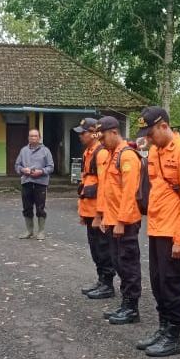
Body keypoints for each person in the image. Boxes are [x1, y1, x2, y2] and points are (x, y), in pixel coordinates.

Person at [134, 107, 180, 357]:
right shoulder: (154, 151)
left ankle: (173, 335)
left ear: (164, 126)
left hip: (175, 231)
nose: (148, 139)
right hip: (157, 227)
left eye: (151, 133)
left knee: (172, 284)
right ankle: (163, 328)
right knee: (158, 281)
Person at [92, 116, 143, 323]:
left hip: (126, 222)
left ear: (114, 132)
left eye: (103, 136)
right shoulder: (111, 155)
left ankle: (132, 308)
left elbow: (129, 192)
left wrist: (121, 221)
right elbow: (107, 190)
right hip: (113, 220)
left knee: (128, 264)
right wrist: (103, 214)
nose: (101, 141)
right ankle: (125, 304)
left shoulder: (127, 156)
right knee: (118, 262)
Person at [76, 118, 115, 299]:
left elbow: (104, 185)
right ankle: (101, 280)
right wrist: (82, 212)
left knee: (103, 248)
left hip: (98, 211)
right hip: (89, 210)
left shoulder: (100, 153)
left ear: (94, 132)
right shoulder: (88, 152)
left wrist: (100, 213)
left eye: (83, 132)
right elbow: (85, 183)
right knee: (95, 248)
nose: (80, 136)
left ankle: (107, 284)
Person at [14, 129, 54, 240]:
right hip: (26, 182)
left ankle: (41, 231)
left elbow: (51, 167)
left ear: (39, 138)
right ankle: (29, 231)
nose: (33, 138)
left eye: (35, 136)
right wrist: (23, 170)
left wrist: (41, 172)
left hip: (40, 183)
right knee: (27, 207)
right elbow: (17, 165)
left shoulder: (46, 151)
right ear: (28, 138)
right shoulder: (23, 151)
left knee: (40, 208)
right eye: (31, 136)